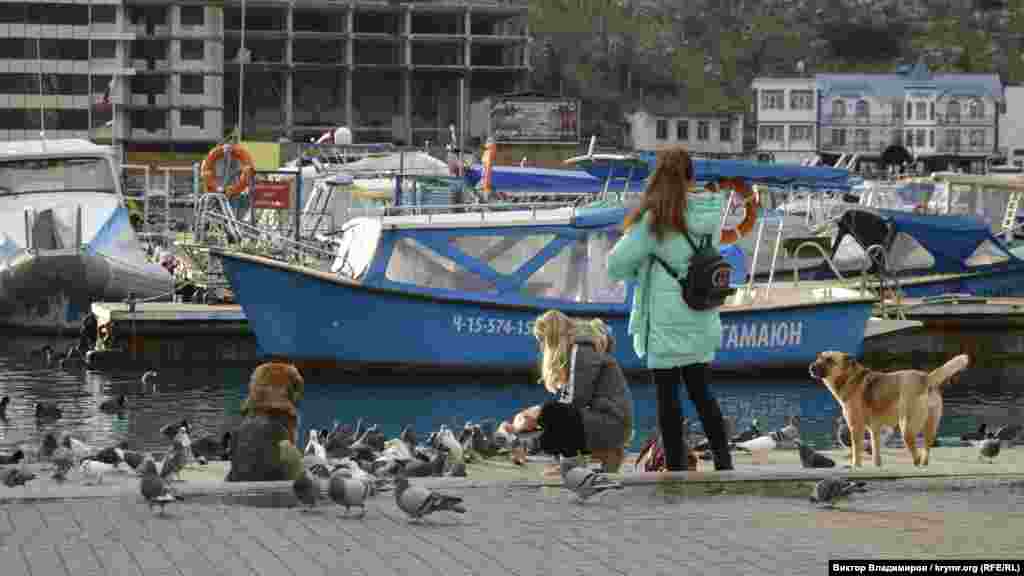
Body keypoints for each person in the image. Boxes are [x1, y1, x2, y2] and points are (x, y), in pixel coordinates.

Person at [607, 146, 743, 471]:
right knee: (701, 392)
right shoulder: (709, 212)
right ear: (691, 175)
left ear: (658, 175)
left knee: (668, 399)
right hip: (701, 312)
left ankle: (677, 468)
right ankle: (724, 464)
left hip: (667, 320)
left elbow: (616, 264)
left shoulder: (656, 218)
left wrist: (639, 271)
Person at [507, 310, 634, 473]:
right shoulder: (579, 349)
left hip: (612, 424)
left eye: (543, 341)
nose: (543, 347)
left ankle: (600, 455)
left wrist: (535, 414)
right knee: (549, 432)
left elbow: (576, 400)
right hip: (609, 422)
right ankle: (593, 456)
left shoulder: (581, 350)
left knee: (551, 414)